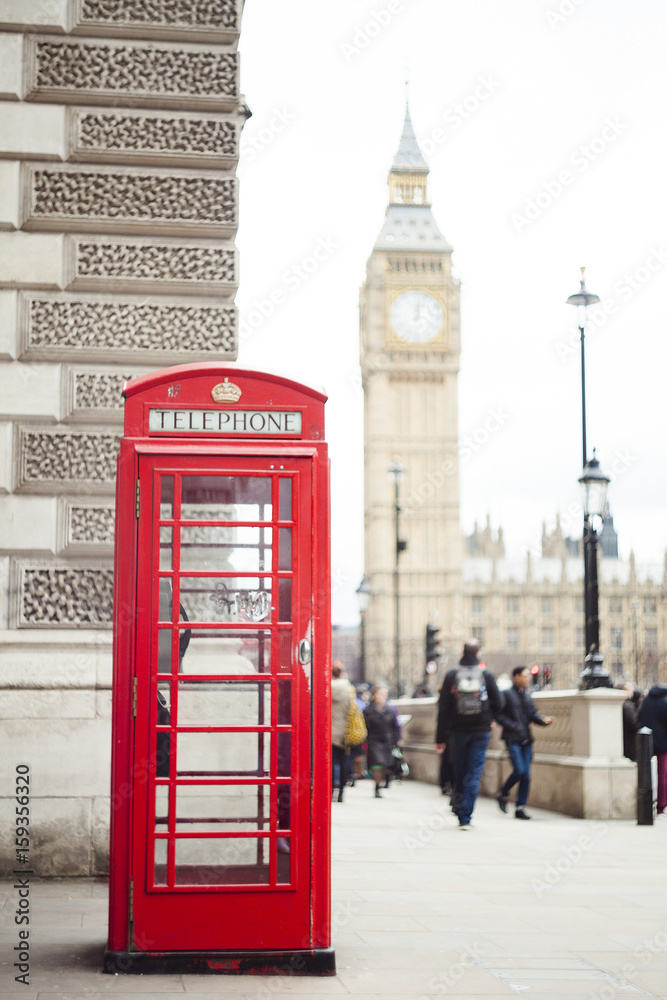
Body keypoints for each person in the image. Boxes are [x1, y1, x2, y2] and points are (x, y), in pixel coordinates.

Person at [434, 639, 504, 828]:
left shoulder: (452, 674)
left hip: (457, 731)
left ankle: (458, 806)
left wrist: (440, 738)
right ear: (478, 654)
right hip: (480, 731)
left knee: (458, 770)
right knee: (473, 773)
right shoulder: (486, 675)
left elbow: (443, 709)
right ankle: (466, 816)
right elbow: (499, 702)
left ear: (462, 653)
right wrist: (490, 718)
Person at [495, 665, 554, 819]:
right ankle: (503, 792)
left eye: (529, 676)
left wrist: (543, 720)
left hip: (526, 739)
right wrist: (513, 726)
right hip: (512, 738)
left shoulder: (527, 696)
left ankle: (520, 806)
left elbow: (533, 714)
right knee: (520, 770)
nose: (528, 678)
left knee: (526, 775)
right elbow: (499, 715)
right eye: (525, 675)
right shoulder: (506, 694)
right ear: (517, 677)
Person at [363, 684, 400, 798]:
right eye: (380, 694)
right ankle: (377, 786)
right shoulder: (368, 710)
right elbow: (364, 726)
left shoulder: (391, 709)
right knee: (377, 764)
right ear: (374, 695)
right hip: (374, 740)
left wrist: (398, 740)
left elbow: (396, 726)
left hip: (387, 740)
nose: (382, 696)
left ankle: (384, 781)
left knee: (385, 763)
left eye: (384, 694)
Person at [637, 683, 667, 816]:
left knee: (643, 773)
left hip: (645, 740)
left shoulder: (646, 700)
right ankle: (661, 805)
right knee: (662, 775)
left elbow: (639, 718)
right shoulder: (665, 701)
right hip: (663, 743)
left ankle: (643, 802)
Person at [331, 662, 355, 802]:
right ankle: (342, 792)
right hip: (345, 730)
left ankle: (332, 789)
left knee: (332, 762)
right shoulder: (348, 688)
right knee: (344, 760)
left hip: (330, 730)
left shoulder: (328, 687)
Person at [615, 679, 641, 762]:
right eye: (630, 688)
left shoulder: (622, 704)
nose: (632, 690)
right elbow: (635, 724)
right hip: (630, 744)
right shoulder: (627, 706)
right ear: (623, 691)